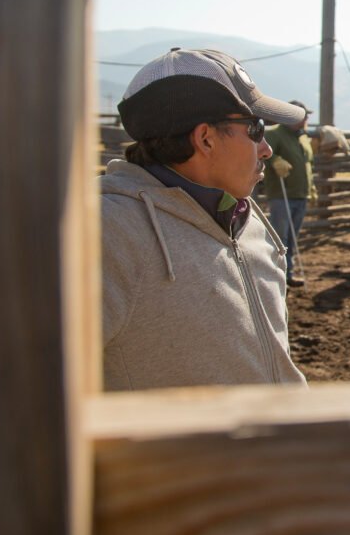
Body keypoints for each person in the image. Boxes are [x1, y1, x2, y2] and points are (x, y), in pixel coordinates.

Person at [101, 47, 308, 391]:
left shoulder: (245, 218)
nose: (267, 149)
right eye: (256, 129)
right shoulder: (108, 233)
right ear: (206, 139)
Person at [264, 100, 316, 288]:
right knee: (281, 237)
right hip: (282, 193)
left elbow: (309, 164)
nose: (306, 118)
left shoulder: (302, 138)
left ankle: (288, 273)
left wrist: (312, 188)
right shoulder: (275, 134)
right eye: (303, 115)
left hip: (300, 194)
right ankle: (277, 275)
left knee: (292, 237)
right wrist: (275, 159)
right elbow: (264, 154)